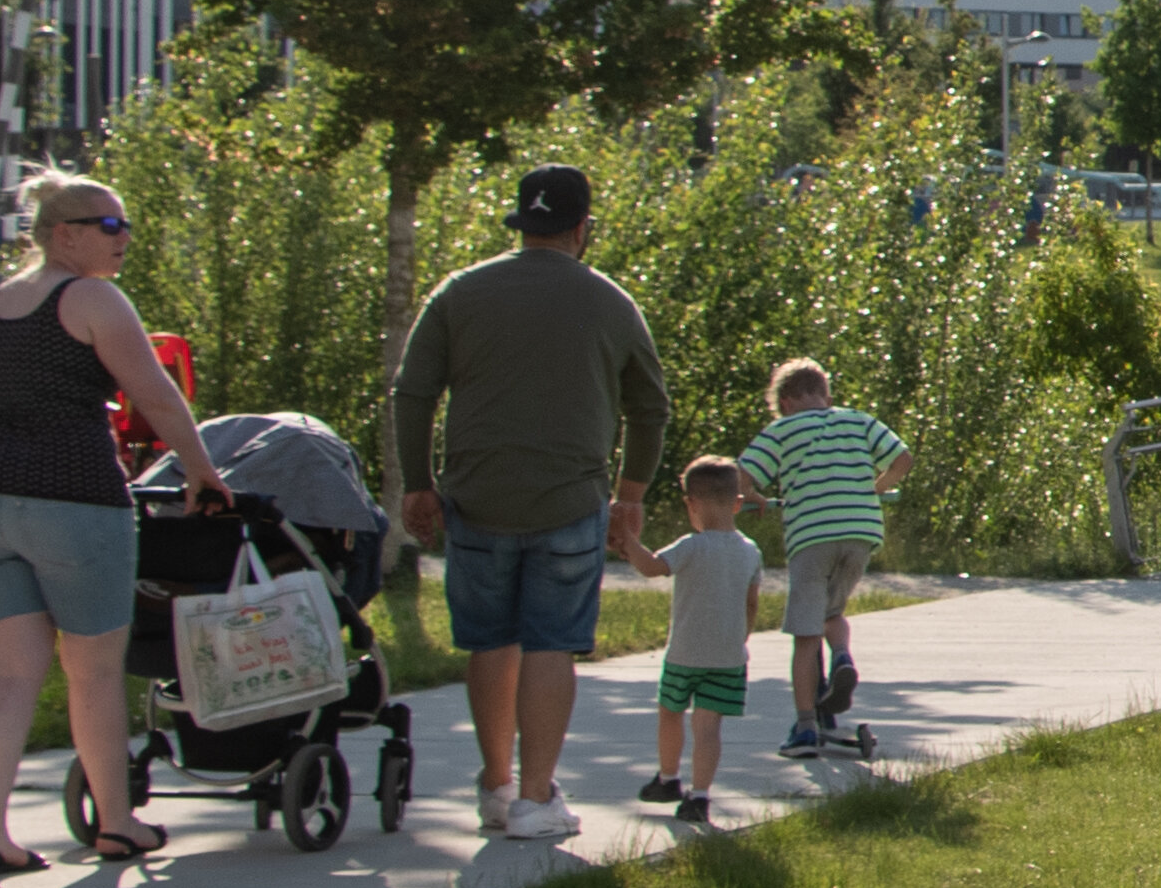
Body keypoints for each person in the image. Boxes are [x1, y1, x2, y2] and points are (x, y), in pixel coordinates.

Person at [384, 159, 669, 850]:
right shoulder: (609, 301)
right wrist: (629, 497)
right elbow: (650, 407)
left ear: (521, 222)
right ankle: (538, 797)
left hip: (476, 494)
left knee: (490, 639)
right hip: (569, 497)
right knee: (550, 642)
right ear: (582, 228)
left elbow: (412, 391)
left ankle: (495, 784)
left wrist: (418, 482)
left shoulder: (460, 292)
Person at [0, 167, 214, 883]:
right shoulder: (93, 296)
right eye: (109, 225)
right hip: (72, 500)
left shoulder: (5, 300)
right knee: (93, 673)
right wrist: (203, 471)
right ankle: (119, 823)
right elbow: (154, 394)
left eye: (124, 223)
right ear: (62, 234)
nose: (124, 236)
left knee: (7, 673)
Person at [740, 356, 899, 744]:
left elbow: (740, 476)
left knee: (805, 634)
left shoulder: (782, 430)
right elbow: (902, 459)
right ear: (825, 396)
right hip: (861, 531)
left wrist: (755, 496)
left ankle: (807, 725)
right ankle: (842, 656)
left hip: (812, 534)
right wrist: (874, 489)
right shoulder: (856, 419)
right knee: (833, 612)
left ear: (787, 401)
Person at [635, 458, 763, 823]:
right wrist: (741, 638)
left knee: (670, 712)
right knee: (708, 727)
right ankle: (700, 797)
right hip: (728, 655)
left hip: (685, 653)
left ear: (691, 503)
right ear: (738, 503)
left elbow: (651, 567)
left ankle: (668, 777)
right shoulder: (751, 550)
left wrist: (628, 542)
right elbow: (751, 603)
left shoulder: (691, 546)